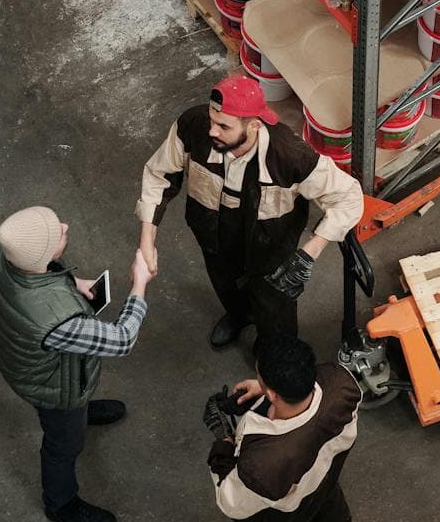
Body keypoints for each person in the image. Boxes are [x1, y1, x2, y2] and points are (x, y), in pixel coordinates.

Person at [136, 76, 363, 349]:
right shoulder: (192, 127)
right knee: (226, 282)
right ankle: (238, 316)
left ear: (254, 126)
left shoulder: (290, 156)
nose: (212, 131)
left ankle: (273, 347)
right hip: (214, 231)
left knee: (274, 304)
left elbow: (349, 197)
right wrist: (147, 240)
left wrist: (307, 254)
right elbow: (159, 174)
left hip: (270, 245)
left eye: (223, 126)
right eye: (211, 120)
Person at [0, 205, 155, 522]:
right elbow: (121, 340)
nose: (64, 225)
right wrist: (139, 286)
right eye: (56, 233)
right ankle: (61, 504)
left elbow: (34, 272)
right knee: (63, 445)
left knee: (74, 412)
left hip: (19, 359)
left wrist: (72, 283)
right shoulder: (56, 322)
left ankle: (83, 411)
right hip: (53, 387)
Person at [202, 333, 361, 522]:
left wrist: (222, 445)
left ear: (274, 394)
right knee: (327, 510)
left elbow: (231, 502)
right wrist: (263, 389)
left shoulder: (264, 466)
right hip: (324, 478)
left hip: (278, 517)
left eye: (261, 379)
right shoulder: (341, 384)